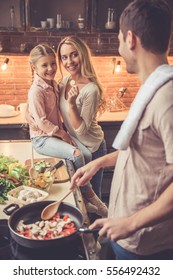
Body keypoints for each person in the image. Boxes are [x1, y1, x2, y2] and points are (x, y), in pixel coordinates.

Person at [70, 0, 173, 260]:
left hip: (146, 245)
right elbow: (148, 154)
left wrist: (130, 223)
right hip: (126, 234)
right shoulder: (153, 88)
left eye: (118, 39)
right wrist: (99, 163)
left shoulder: (167, 98)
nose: (119, 47)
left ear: (130, 39)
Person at [26, 43, 107, 217]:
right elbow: (41, 120)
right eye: (44, 65)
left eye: (53, 63)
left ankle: (86, 201)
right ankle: (89, 195)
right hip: (44, 138)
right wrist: (62, 134)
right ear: (34, 67)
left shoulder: (57, 84)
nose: (51, 68)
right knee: (78, 155)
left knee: (86, 155)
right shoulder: (40, 89)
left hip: (80, 139)